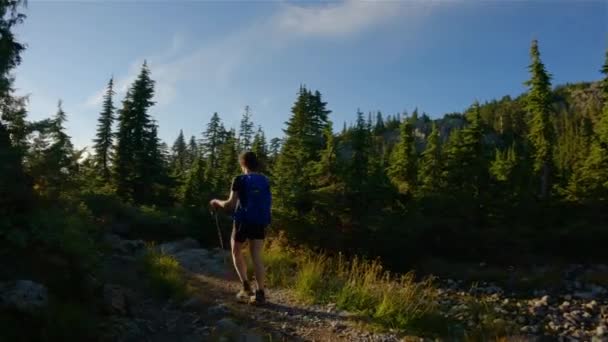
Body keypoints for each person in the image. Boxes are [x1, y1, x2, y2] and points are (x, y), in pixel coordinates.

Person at [210, 151, 271, 304]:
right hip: (259, 221)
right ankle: (260, 293)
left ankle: (246, 287)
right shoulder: (265, 180)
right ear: (256, 164)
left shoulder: (239, 179)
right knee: (256, 255)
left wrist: (216, 202)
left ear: (243, 164)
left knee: (236, 251)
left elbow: (230, 204)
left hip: (242, 221)